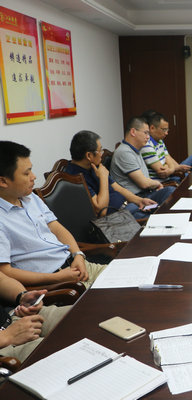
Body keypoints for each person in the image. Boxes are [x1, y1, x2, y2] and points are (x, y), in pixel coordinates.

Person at [0, 141, 106, 288]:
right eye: (26, 173)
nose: (34, 177)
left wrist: (77, 255)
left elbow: (55, 227)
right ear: (3, 181)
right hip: (53, 283)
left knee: (134, 276)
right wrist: (56, 278)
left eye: (31, 170)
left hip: (76, 266)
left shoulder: (31, 198)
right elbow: (5, 272)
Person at [65, 130, 157, 219]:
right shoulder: (75, 178)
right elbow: (101, 210)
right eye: (100, 151)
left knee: (158, 207)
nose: (101, 154)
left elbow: (118, 188)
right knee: (156, 218)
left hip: (127, 207)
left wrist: (139, 201)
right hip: (115, 219)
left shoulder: (93, 166)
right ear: (89, 156)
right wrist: (103, 178)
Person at [0, 272, 70, 362]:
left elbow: (2, 280)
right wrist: (7, 335)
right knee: (64, 350)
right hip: (4, 347)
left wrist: (22, 296)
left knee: (79, 317)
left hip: (12, 317)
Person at [110, 116, 175, 205]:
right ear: (133, 132)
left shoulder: (136, 149)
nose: (148, 137)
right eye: (146, 133)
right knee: (170, 191)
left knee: (173, 192)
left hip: (146, 194)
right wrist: (157, 183)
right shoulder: (124, 152)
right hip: (136, 200)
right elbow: (144, 183)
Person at [141, 112, 192, 183]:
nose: (166, 133)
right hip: (163, 182)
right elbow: (162, 172)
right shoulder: (147, 145)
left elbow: (168, 158)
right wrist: (176, 169)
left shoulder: (160, 141)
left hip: (170, 173)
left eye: (167, 130)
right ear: (152, 128)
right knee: (187, 177)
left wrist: (176, 168)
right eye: (164, 130)